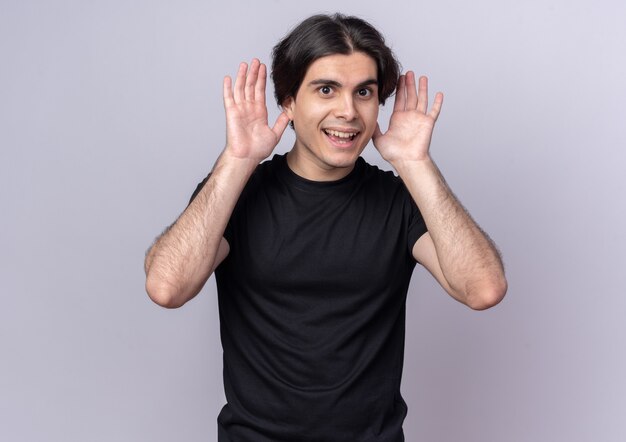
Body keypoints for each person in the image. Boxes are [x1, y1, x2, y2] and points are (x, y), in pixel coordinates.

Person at [144, 13, 507, 442]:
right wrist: (237, 160)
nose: (348, 112)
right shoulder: (236, 194)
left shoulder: (398, 200)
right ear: (289, 102)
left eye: (364, 92)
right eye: (326, 89)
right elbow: (168, 287)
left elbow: (483, 289)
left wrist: (416, 164)